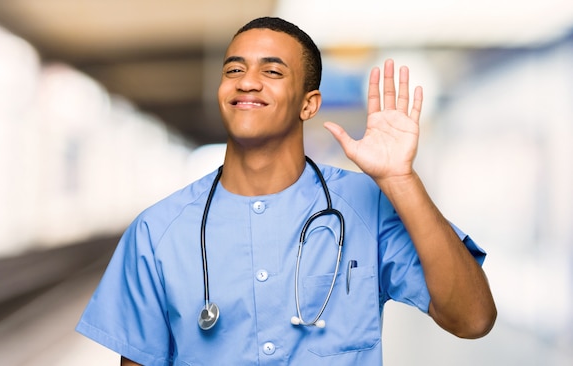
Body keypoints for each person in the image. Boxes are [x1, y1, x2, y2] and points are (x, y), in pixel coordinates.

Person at [76, 16, 496, 365]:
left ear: (308, 104)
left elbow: (473, 319)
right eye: (234, 70)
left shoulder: (366, 207)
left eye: (272, 71)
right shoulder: (156, 232)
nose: (247, 82)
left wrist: (400, 180)